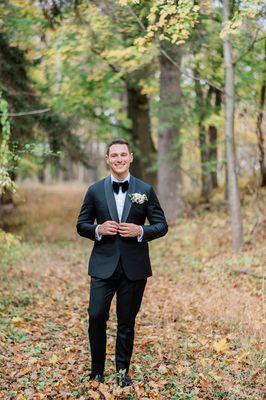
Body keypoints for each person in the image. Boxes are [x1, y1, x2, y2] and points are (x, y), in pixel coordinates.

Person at [76, 138, 168, 387]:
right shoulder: (95, 190)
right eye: (114, 155)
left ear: (130, 157)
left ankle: (121, 372)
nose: (119, 159)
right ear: (107, 159)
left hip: (134, 266)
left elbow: (161, 225)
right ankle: (97, 371)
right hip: (103, 265)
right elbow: (81, 225)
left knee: (126, 321)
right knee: (96, 316)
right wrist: (98, 229)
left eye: (123, 155)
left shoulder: (145, 190)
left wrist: (140, 230)